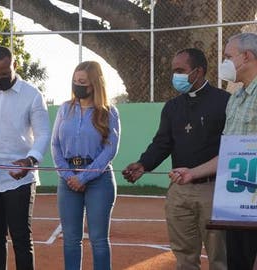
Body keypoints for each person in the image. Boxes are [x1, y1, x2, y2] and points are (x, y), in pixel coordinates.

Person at [122, 48, 229, 270]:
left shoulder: (224, 102)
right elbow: (163, 143)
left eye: (180, 70)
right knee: (184, 259)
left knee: (221, 259)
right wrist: (143, 164)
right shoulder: (172, 107)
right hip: (179, 191)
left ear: (198, 72)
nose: (175, 76)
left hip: (214, 191)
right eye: (173, 71)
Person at [170, 33, 257, 270]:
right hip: (238, 200)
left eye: (228, 56)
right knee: (237, 262)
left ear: (247, 56)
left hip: (253, 200)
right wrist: (193, 173)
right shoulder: (236, 98)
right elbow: (230, 154)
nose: (224, 63)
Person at [0, 46, 51, 270]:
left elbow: (43, 134)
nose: (0, 78)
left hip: (19, 179)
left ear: (15, 65)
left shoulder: (33, 95)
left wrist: (30, 161)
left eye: (5, 73)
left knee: (21, 238)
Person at [51, 61, 120, 270]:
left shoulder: (109, 112)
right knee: (71, 239)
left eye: (82, 82)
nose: (77, 85)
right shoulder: (65, 109)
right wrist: (67, 175)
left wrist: (83, 177)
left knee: (99, 240)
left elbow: (110, 150)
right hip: (67, 180)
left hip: (99, 181)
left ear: (94, 85)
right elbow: (55, 144)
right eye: (74, 81)